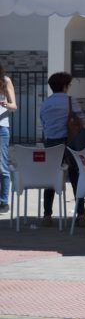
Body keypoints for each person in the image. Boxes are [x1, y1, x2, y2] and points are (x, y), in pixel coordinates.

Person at [38, 71, 85, 226]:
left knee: (50, 177)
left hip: (51, 143)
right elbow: (82, 121)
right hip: (70, 142)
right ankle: (81, 214)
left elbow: (43, 124)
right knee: (76, 175)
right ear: (65, 86)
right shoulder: (70, 101)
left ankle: (47, 215)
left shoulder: (45, 103)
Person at [0, 63, 16, 213]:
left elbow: (14, 106)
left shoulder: (5, 81)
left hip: (1, 128)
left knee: (2, 165)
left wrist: (5, 104)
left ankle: (4, 202)